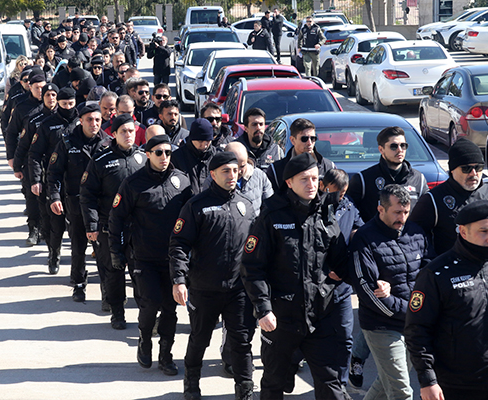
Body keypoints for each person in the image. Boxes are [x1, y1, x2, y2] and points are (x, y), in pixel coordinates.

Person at [241, 152, 349, 399]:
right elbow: (252, 267)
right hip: (280, 317)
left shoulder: (325, 213)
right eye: (304, 179)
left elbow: (341, 259)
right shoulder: (272, 215)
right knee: (273, 382)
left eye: (314, 179)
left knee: (330, 382)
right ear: (289, 182)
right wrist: (263, 308)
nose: (311, 185)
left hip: (318, 317)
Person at [170, 151, 256, 400]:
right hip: (204, 288)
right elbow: (178, 244)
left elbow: (255, 246)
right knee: (199, 339)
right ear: (213, 174)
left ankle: (245, 389)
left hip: (238, 289)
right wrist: (179, 279)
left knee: (241, 342)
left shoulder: (246, 205)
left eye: (235, 170)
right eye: (225, 171)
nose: (232, 175)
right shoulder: (196, 206)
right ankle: (191, 382)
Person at [109, 134, 192, 376]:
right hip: (144, 257)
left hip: (173, 261)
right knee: (150, 303)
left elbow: (192, 219)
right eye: (158, 153)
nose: (164, 157)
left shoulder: (182, 181)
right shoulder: (133, 183)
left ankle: (166, 355)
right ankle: (144, 339)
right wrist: (116, 250)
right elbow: (117, 218)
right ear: (148, 154)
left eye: (168, 152)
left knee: (170, 308)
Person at [405, 200, 488, 400]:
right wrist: (427, 380)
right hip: (457, 385)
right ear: (463, 231)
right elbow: (417, 330)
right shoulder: (436, 273)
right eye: (484, 231)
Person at [350, 184, 430, 400]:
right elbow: (368, 292)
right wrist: (413, 311)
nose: (402, 218)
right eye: (396, 212)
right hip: (381, 326)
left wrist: (417, 312)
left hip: (411, 324)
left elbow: (428, 275)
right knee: (401, 391)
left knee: (386, 384)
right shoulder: (364, 239)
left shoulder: (416, 233)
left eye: (406, 212)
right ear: (380, 209)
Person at [80, 114, 146, 329]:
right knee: (114, 272)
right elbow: (87, 194)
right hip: (110, 228)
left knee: (142, 273)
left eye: (131, 130)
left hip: (139, 230)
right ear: (113, 133)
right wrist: (92, 226)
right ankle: (117, 312)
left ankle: (146, 314)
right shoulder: (100, 160)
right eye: (123, 131)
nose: (128, 135)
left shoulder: (144, 158)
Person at [46, 103, 111, 302]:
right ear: (80, 120)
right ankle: (79, 284)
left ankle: (107, 290)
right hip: (75, 205)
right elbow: (54, 173)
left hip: (101, 207)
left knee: (103, 251)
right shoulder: (67, 143)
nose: (94, 123)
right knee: (78, 247)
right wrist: (55, 197)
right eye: (89, 119)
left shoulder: (108, 143)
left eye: (98, 120)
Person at [320, 168, 364, 390]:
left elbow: (359, 228)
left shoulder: (349, 206)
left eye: (343, 192)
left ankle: (342, 384)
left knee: (346, 337)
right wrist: (325, 269)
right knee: (316, 338)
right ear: (323, 187)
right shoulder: (313, 209)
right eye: (335, 192)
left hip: (343, 284)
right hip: (318, 283)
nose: (339, 197)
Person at [410, 138, 488, 255]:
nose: (473, 173)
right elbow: (413, 237)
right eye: (466, 168)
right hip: (452, 267)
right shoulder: (433, 199)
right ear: (452, 170)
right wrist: (432, 263)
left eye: (478, 168)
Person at [28, 87, 76, 274]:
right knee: (54, 225)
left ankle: (77, 263)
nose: (67, 107)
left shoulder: (82, 122)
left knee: (77, 225)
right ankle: (53, 254)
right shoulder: (47, 125)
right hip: (53, 181)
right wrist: (36, 180)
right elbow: (34, 154)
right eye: (64, 104)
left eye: (71, 104)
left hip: (76, 181)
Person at [347, 126, 429, 223]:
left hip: (408, 236)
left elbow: (426, 212)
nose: (400, 150)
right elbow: (349, 211)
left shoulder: (418, 179)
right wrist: (362, 230)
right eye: (393, 146)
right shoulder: (363, 179)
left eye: (403, 145)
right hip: (375, 236)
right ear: (381, 150)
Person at [9, 75, 51, 247]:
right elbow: (12, 134)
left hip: (51, 161)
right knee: (32, 196)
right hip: (29, 159)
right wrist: (13, 160)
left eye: (43, 87)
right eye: (37, 87)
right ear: (29, 87)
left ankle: (49, 230)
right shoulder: (21, 108)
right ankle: (34, 228)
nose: (41, 91)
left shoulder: (53, 106)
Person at [266, 118, 335, 193]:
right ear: (292, 140)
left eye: (313, 138)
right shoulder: (276, 170)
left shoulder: (329, 167)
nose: (309, 143)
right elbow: (272, 201)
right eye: (304, 139)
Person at [171, 118, 216, 195]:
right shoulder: (177, 157)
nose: (204, 145)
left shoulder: (217, 156)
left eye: (208, 141)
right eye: (200, 141)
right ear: (192, 139)